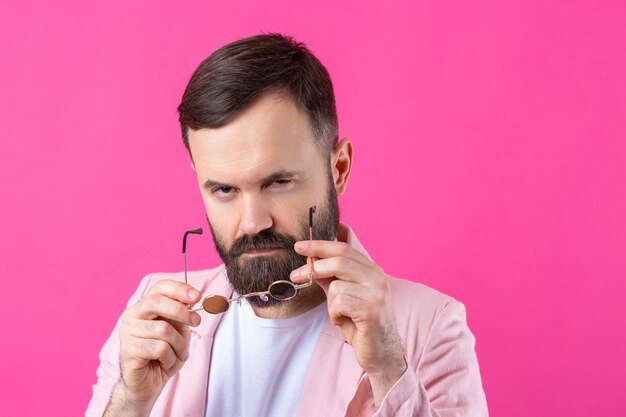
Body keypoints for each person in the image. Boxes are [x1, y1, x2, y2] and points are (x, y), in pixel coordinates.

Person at [86, 33, 488, 417]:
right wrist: (131, 401)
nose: (253, 222)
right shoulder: (154, 312)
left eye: (278, 183)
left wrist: (388, 369)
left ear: (339, 168)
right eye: (224, 189)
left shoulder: (430, 325)